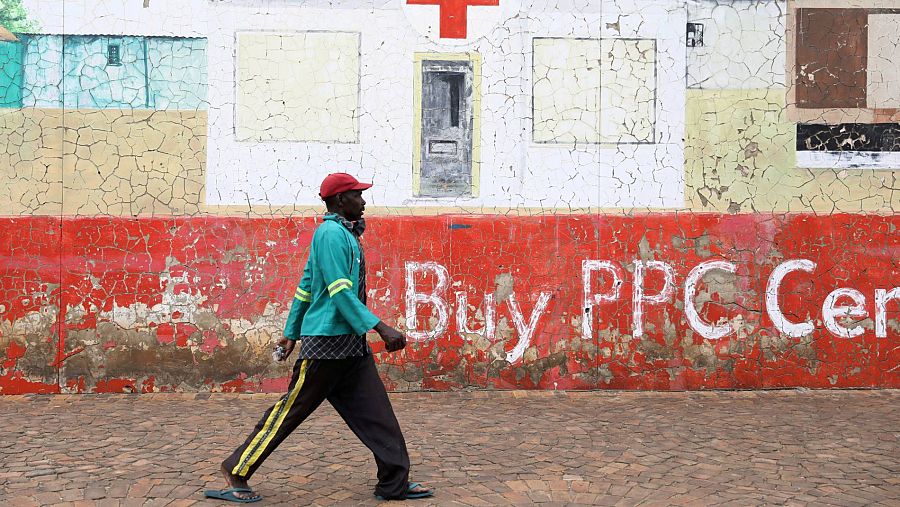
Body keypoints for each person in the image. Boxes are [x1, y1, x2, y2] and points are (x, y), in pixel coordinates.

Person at [205, 173, 433, 503]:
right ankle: (236, 470)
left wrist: (289, 333)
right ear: (340, 201)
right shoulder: (329, 234)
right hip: (325, 348)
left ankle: (393, 483)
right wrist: (380, 327)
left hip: (351, 349)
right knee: (288, 413)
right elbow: (339, 292)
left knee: (379, 416)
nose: (364, 201)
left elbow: (305, 286)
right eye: (358, 195)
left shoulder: (344, 235)